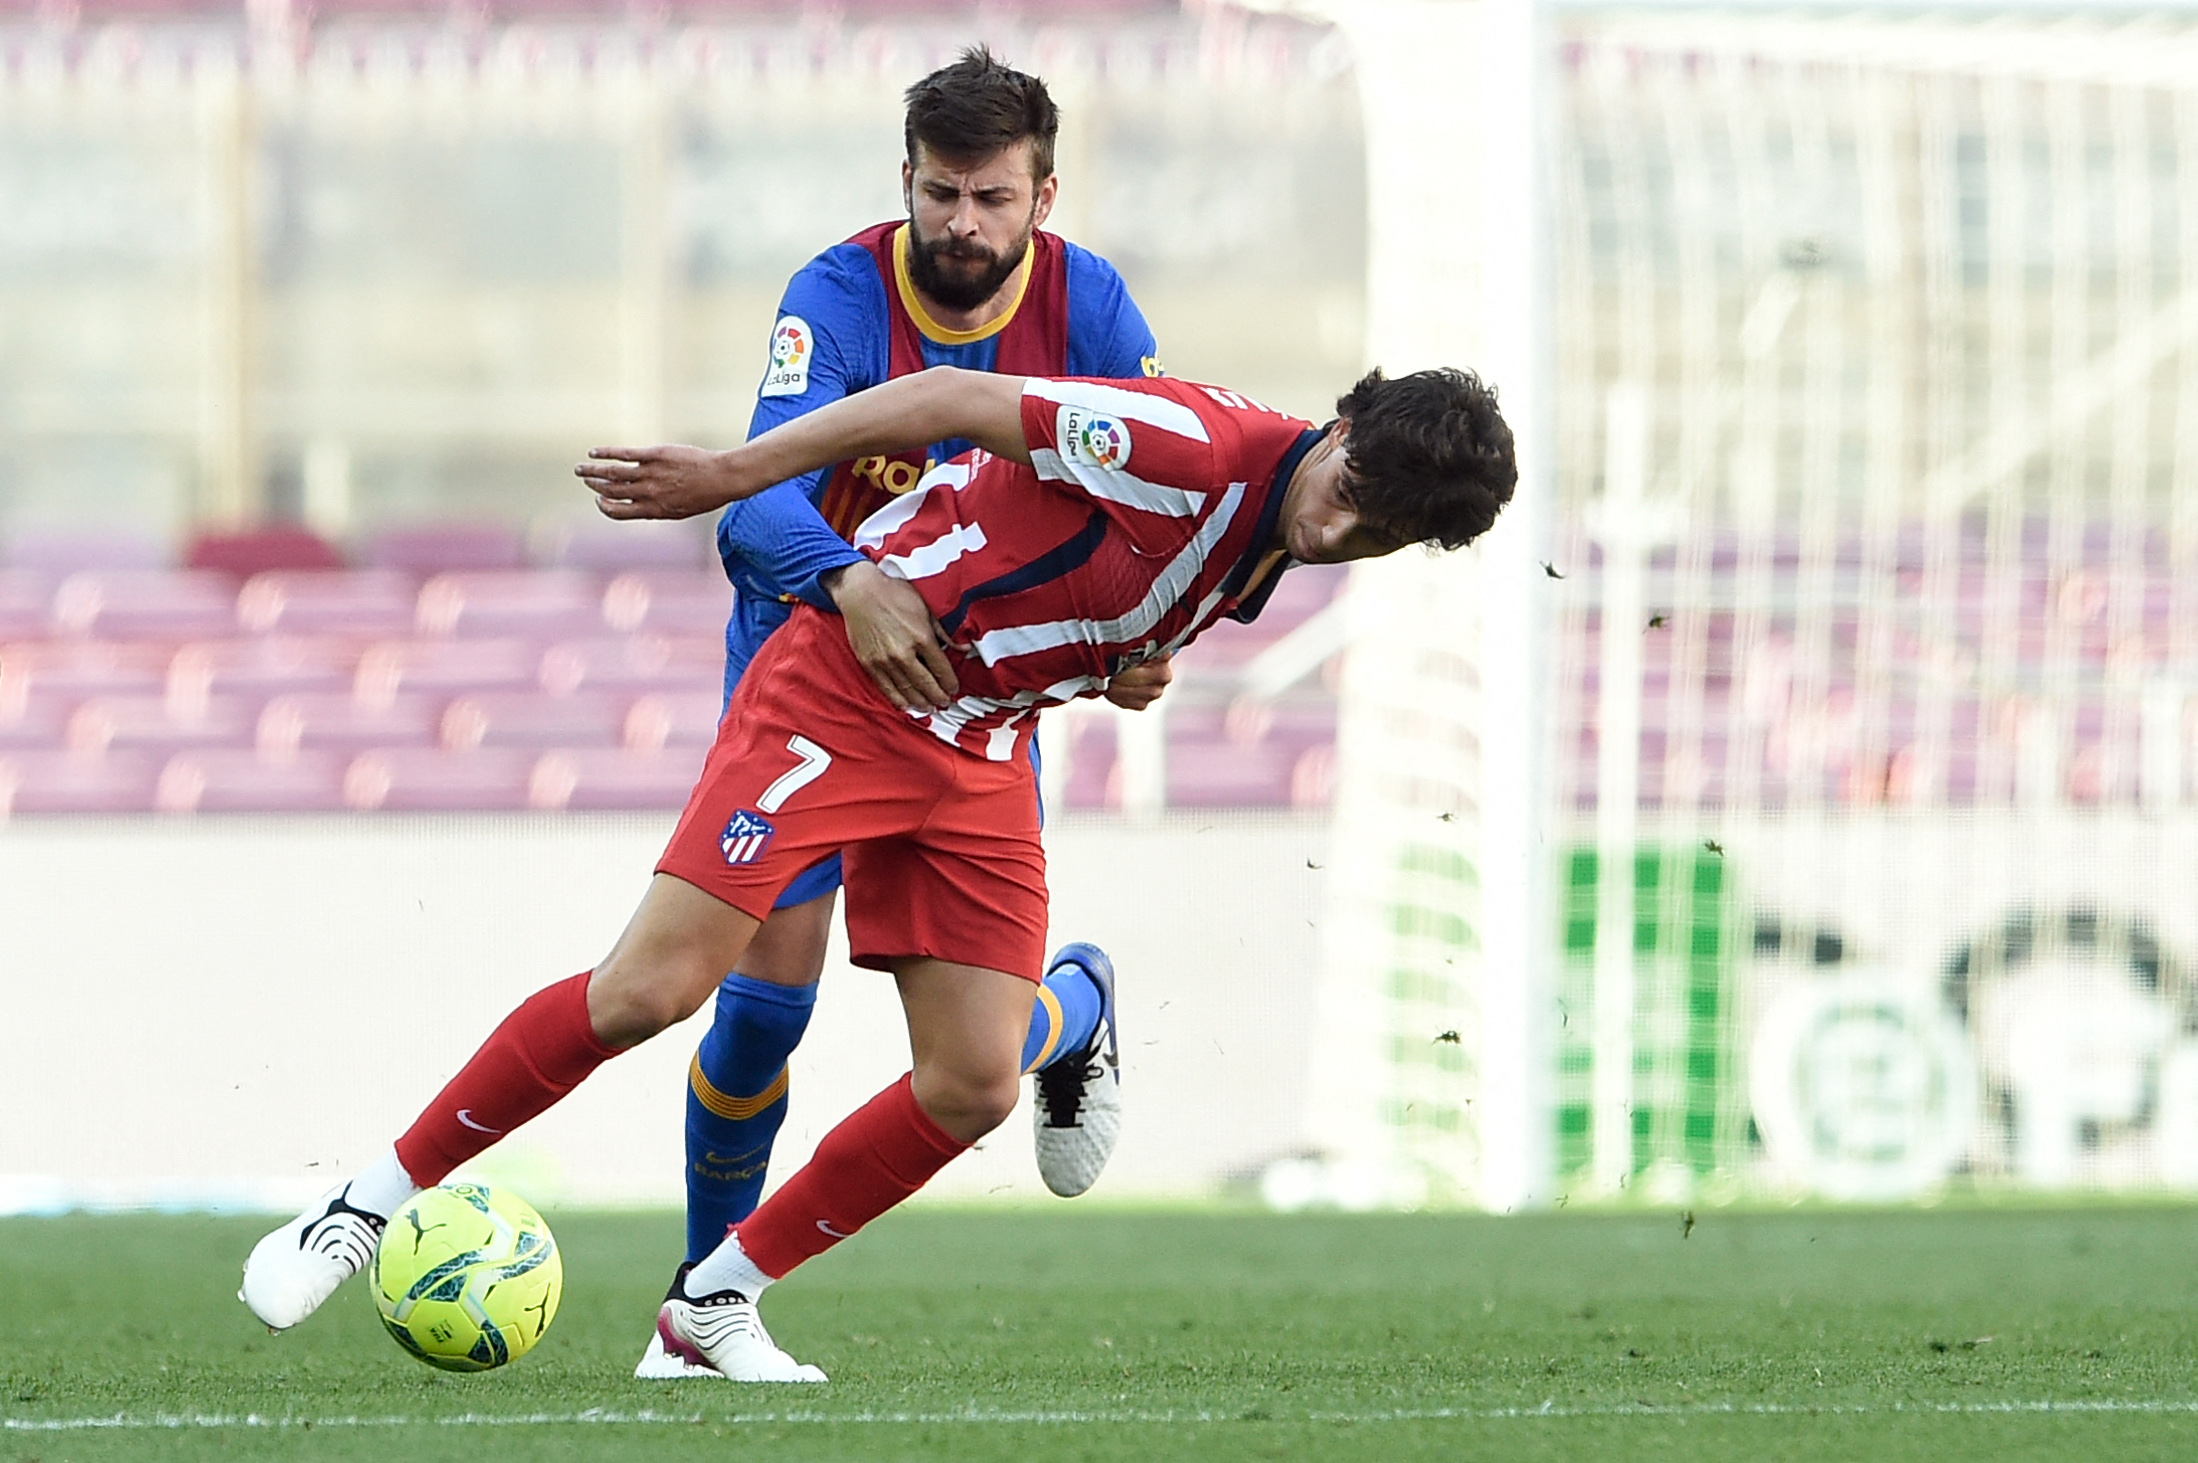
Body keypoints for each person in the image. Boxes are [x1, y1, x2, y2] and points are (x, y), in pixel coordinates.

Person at [239, 361, 1516, 1382]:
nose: (1337, 524)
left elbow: (1111, 585)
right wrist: (731, 476)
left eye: (1380, 532)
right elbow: (950, 404)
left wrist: (1117, 660)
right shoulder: (1187, 442)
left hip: (978, 742)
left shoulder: (1309, 522)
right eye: (1348, 485)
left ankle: (711, 1307)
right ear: (1339, 421)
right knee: (652, 990)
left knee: (971, 1086)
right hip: (844, 694)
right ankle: (353, 1211)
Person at [650, 48, 1169, 1378]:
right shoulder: (835, 294)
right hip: (812, 682)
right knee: (760, 1007)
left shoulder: (1093, 310)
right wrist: (853, 579)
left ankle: (1075, 1004)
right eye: (941, 193)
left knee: (977, 1058)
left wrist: (1141, 643)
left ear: (1042, 195)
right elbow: (758, 498)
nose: (963, 225)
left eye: (992, 197)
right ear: (906, 183)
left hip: (976, 710)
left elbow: (1164, 503)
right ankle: (703, 1303)